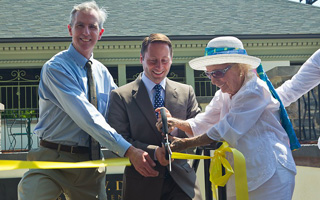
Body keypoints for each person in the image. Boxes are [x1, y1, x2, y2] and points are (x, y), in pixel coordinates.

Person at [18, 2, 158, 200]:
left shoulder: (103, 73)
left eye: (92, 26)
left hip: (90, 163)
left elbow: (121, 114)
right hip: (50, 161)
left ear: (100, 33)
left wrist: (157, 130)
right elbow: (87, 116)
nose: (86, 32)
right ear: (70, 30)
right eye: (80, 26)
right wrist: (128, 150)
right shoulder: (56, 68)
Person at [156, 36, 297, 200]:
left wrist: (186, 143)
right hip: (242, 174)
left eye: (218, 73)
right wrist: (177, 123)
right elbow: (205, 121)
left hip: (271, 175)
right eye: (209, 74)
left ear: (240, 68)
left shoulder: (254, 90)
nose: (214, 80)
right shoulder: (224, 94)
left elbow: (226, 129)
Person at [108, 33, 202, 200]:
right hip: (141, 184)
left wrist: (176, 127)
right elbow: (116, 140)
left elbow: (200, 131)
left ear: (171, 59)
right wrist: (153, 152)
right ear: (141, 59)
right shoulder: (120, 96)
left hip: (182, 184)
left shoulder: (186, 92)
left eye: (164, 60)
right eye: (152, 61)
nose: (159, 66)